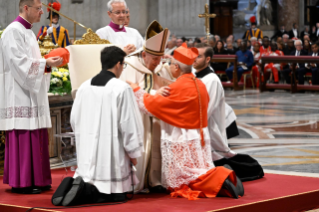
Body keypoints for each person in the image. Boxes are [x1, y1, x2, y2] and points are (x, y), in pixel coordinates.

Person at [128, 44, 244, 200]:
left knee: (185, 177)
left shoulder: (177, 87)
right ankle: (222, 178)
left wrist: (136, 90)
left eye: (170, 65)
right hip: (198, 136)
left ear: (176, 67)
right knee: (197, 168)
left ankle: (222, 178)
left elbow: (152, 106)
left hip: (180, 137)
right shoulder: (200, 84)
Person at [53, 46, 144, 206]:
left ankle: (80, 188)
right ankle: (88, 193)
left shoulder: (84, 87)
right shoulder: (121, 88)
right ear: (118, 64)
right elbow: (129, 124)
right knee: (116, 196)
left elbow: (74, 120)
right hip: (112, 154)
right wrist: (133, 153)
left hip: (87, 153)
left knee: (91, 180)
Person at [0, 0, 64, 194]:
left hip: (30, 93)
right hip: (19, 94)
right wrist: (46, 64)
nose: (42, 12)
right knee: (25, 134)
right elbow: (19, 63)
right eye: (39, 8)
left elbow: (32, 62)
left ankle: (39, 178)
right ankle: (24, 181)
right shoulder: (13, 31)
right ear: (26, 8)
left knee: (36, 135)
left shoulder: (28, 32)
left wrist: (45, 64)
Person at [193, 43, 264, 181]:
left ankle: (249, 169)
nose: (194, 59)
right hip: (199, 127)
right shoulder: (195, 74)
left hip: (208, 128)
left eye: (199, 56)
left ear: (208, 59)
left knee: (219, 161)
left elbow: (206, 110)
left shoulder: (211, 80)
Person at [120, 20, 171, 193]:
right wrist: (156, 94)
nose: (158, 62)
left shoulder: (160, 67)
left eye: (160, 58)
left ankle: (155, 181)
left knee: (157, 147)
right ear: (144, 55)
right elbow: (126, 91)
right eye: (155, 58)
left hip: (157, 117)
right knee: (142, 147)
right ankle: (138, 181)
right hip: (138, 117)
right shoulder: (129, 65)